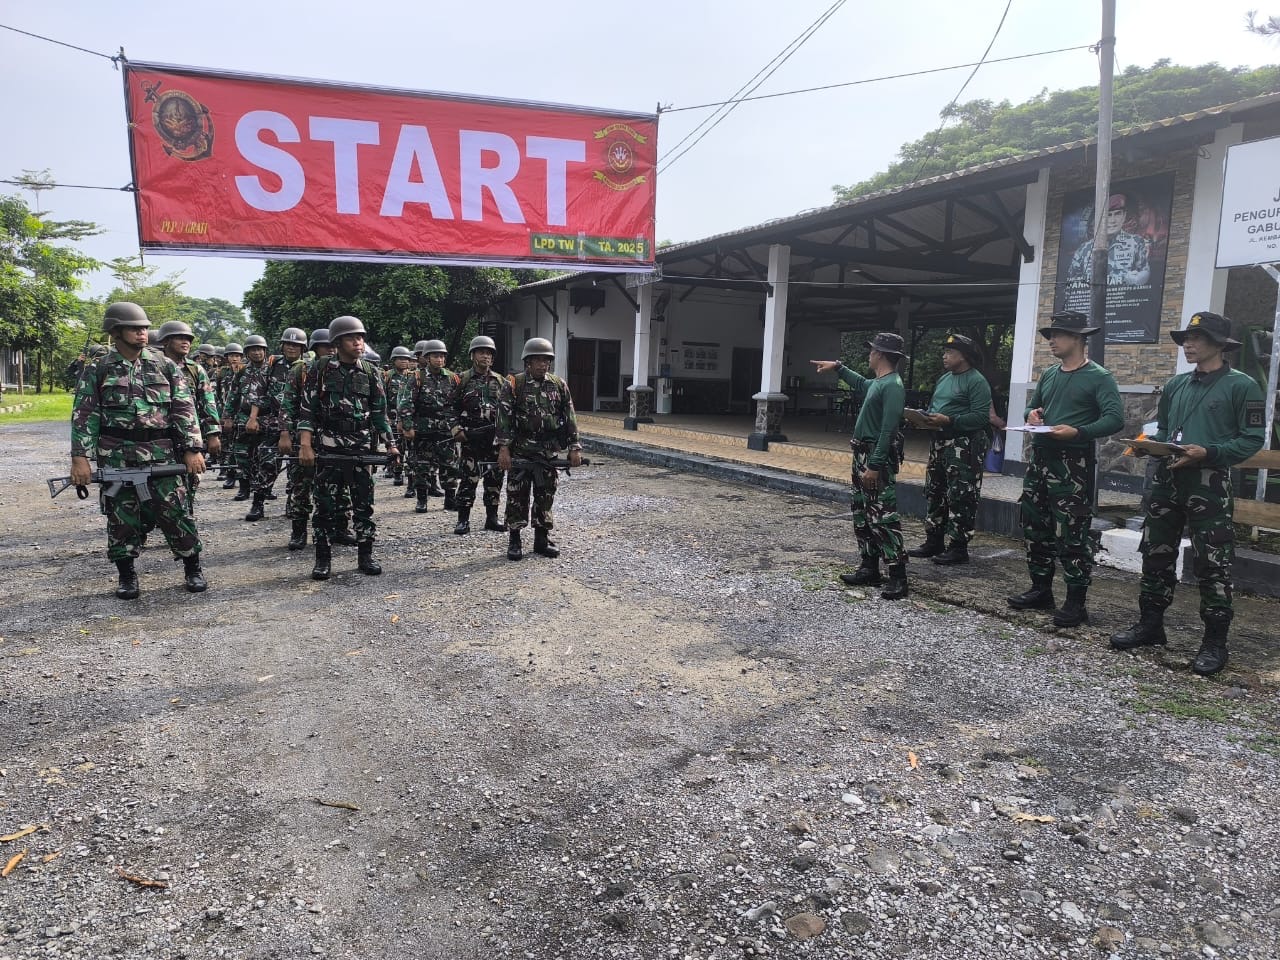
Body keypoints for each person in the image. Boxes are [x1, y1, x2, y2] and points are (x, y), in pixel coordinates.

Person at [1110, 312, 1265, 676]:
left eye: (1197, 338)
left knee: (1213, 563)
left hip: (1208, 483)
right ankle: (1151, 625)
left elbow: (1252, 439)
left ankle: (1215, 642)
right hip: (1168, 480)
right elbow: (1165, 428)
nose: (1188, 345)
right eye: (1186, 339)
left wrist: (1208, 452)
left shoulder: (1242, 386)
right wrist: (1149, 445)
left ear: (1219, 345)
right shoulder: (1177, 384)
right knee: (1156, 553)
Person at [69, 302, 208, 598]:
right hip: (117, 456)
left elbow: (184, 408)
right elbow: (84, 414)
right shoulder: (99, 368)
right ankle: (127, 575)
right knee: (121, 518)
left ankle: (193, 568)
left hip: (162, 454)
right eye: (134, 328)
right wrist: (80, 458)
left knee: (176, 512)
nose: (142, 333)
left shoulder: (164, 365)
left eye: (144, 328)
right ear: (116, 332)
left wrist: (192, 448)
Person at [1008, 309, 1124, 627]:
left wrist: (1078, 431)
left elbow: (1115, 419)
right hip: (1040, 459)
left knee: (1072, 532)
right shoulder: (1050, 374)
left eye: (1057, 335)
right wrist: (1032, 415)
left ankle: (1075, 602)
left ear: (1077, 338)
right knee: (1035, 526)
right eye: (1050, 335)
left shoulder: (1099, 377)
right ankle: (1040, 589)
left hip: (1073, 463)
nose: (1051, 340)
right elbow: (1034, 406)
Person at [297, 315, 399, 580]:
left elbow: (379, 414)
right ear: (338, 342)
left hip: (361, 448)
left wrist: (391, 445)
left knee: (364, 505)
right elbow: (307, 410)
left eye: (361, 337)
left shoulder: (371, 372)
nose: (358, 342)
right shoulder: (320, 369)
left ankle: (365, 555)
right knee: (324, 506)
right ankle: (323, 559)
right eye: (352, 338)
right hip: (328, 447)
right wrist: (305, 445)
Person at [810, 332, 909, 600]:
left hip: (875, 457)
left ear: (880, 355)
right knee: (863, 513)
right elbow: (860, 383)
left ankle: (898, 576)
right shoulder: (879, 382)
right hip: (862, 454)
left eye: (872, 351)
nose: (869, 355)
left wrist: (875, 465)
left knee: (883, 515)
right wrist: (839, 367)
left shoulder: (893, 386)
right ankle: (869, 567)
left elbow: (888, 430)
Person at [907, 333, 993, 565]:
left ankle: (958, 547)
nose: (944, 356)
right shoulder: (945, 379)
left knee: (961, 494)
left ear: (964, 356)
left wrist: (950, 420)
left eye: (950, 352)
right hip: (939, 442)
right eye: (945, 352)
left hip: (964, 445)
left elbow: (980, 417)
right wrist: (923, 418)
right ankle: (933, 540)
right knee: (935, 490)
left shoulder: (976, 381)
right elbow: (936, 406)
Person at [496, 337, 582, 560]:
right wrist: (504, 449)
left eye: (546, 360)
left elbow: (569, 416)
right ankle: (515, 540)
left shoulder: (558, 385)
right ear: (528, 361)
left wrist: (574, 447)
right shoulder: (514, 384)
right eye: (538, 360)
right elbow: (504, 419)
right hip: (521, 451)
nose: (543, 364)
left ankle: (542, 540)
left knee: (545, 496)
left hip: (547, 452)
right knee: (516, 496)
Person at [154, 320, 222, 516]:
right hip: (159, 438)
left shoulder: (195, 370)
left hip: (189, 436)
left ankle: (184, 516)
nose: (185, 342)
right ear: (165, 341)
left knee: (190, 480)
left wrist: (213, 434)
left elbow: (207, 402)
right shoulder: (152, 366)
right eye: (179, 338)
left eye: (188, 339)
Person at [447, 335, 510, 535]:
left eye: (489, 353)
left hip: (493, 439)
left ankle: (492, 518)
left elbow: (508, 410)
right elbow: (450, 407)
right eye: (482, 352)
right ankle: (463, 520)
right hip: (471, 439)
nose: (486, 356)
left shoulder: (501, 381)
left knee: (495, 479)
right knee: (469, 479)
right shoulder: (462, 379)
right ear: (472, 355)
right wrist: (456, 429)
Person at [399, 339, 461, 514]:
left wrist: (458, 426)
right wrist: (408, 426)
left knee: (450, 466)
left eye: (442, 356)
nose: (439, 359)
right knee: (422, 466)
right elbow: (406, 403)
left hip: (446, 431)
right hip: (423, 431)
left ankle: (450, 499)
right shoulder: (418, 377)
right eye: (435, 356)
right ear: (427, 358)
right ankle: (422, 500)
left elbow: (458, 404)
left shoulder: (453, 378)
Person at [1067, 193, 1151, 286]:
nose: (1113, 220)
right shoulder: (1084, 249)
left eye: (1117, 214)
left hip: (1122, 294)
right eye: (1108, 215)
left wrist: (1137, 279)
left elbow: (1144, 272)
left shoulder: (1136, 242)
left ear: (1124, 215)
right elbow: (1071, 282)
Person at [385, 346, 416, 487]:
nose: (404, 361)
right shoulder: (387, 376)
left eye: (406, 359)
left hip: (409, 418)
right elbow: (382, 397)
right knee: (397, 447)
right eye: (400, 359)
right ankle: (397, 472)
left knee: (412, 449)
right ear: (394, 360)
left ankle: (411, 478)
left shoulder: (413, 376)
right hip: (392, 418)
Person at [217, 343, 245, 490]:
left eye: (237, 356)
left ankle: (245, 479)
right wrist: (223, 414)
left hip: (244, 414)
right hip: (227, 413)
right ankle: (229, 473)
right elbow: (217, 393)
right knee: (227, 445)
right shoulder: (222, 373)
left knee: (242, 447)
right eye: (231, 356)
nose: (234, 358)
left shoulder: (246, 371)